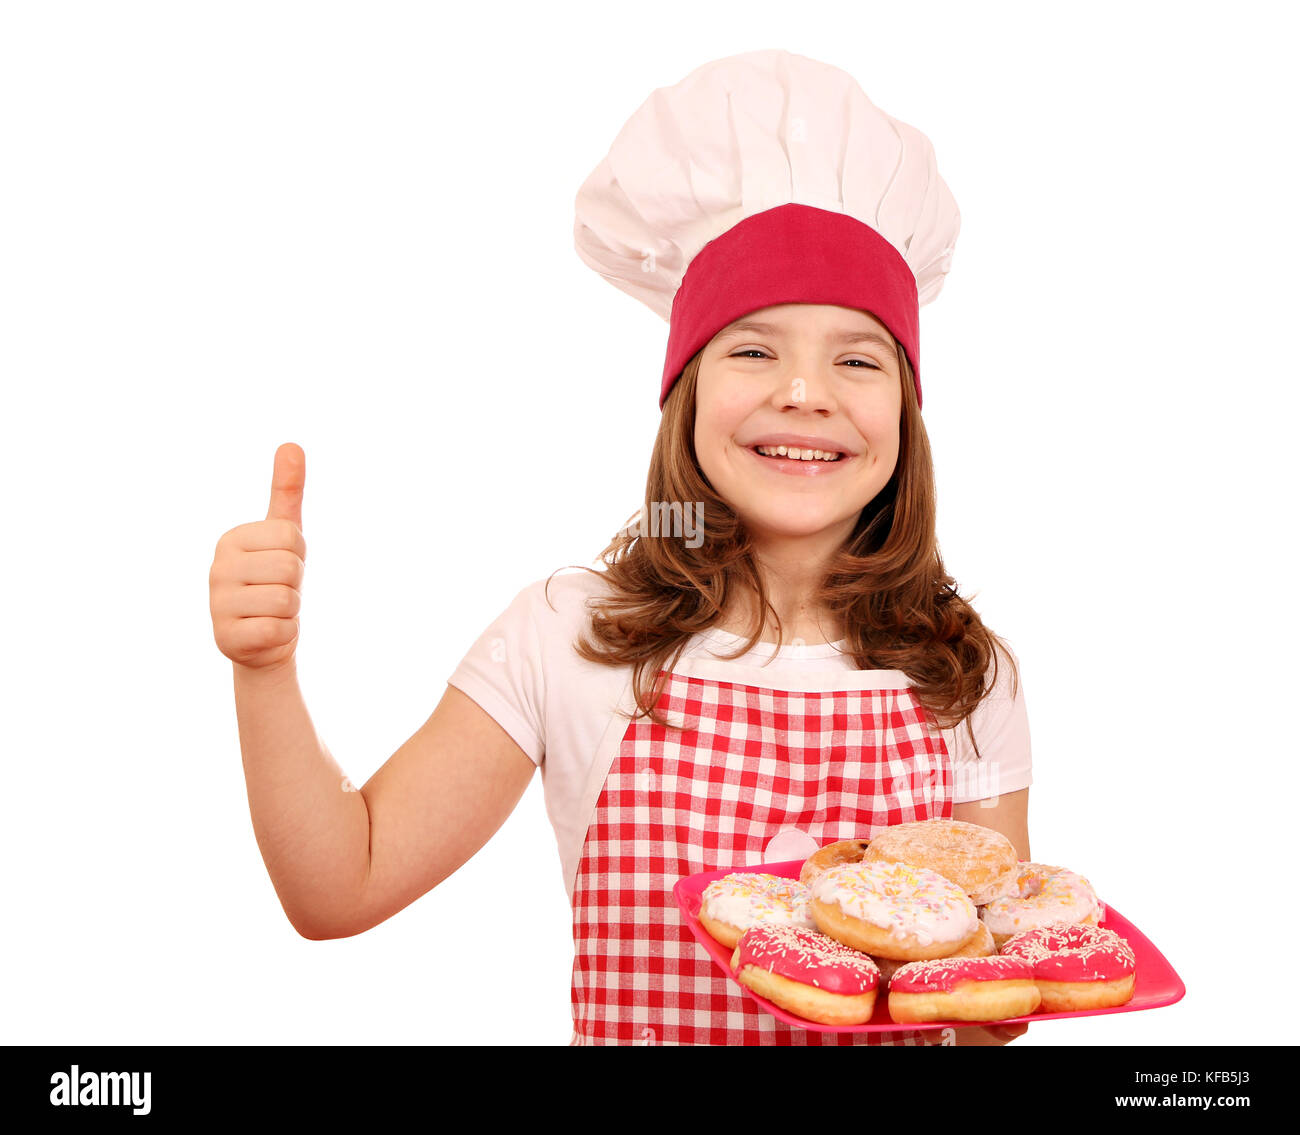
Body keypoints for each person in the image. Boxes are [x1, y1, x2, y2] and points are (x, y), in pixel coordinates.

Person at [208, 49, 1032, 1046]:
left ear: (904, 415)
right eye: (754, 347)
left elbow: (993, 1013)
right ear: (683, 398)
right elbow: (340, 885)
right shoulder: (570, 635)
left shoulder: (961, 669)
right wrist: (264, 671)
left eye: (856, 357)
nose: (805, 391)